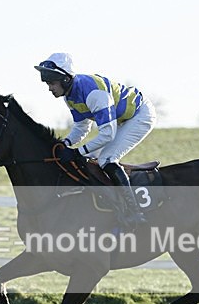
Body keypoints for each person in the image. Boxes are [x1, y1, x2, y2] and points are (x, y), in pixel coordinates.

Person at [34, 53, 156, 228]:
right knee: (86, 160)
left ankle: (134, 213)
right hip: (121, 120)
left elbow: (108, 134)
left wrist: (76, 152)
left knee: (107, 159)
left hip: (139, 115)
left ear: (65, 80)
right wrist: (65, 144)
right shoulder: (70, 96)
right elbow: (82, 127)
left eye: (52, 83)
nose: (49, 88)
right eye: (47, 84)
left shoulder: (92, 93)